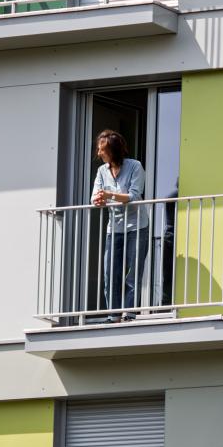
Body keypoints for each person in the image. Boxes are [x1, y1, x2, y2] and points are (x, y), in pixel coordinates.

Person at [92, 130, 149, 321]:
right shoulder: (102, 171)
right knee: (110, 273)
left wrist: (108, 196)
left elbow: (133, 195)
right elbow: (95, 196)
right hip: (114, 229)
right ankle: (113, 314)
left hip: (137, 227)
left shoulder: (135, 166)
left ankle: (130, 313)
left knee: (133, 273)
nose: (99, 153)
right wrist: (98, 201)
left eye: (102, 150)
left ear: (113, 151)